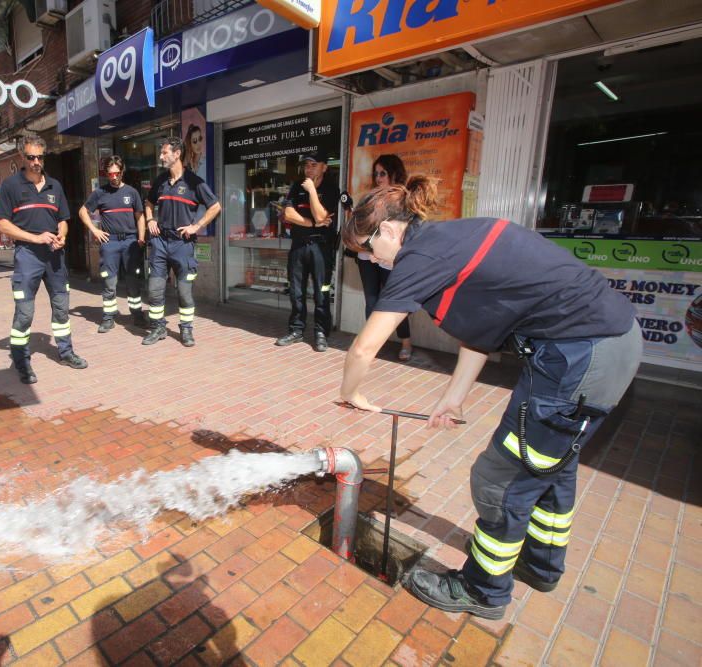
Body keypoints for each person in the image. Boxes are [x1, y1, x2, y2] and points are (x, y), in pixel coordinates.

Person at [338, 177, 641, 619]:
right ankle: (539, 566)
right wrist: (454, 397)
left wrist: (351, 394)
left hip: (580, 356)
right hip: (607, 344)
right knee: (552, 467)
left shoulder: (416, 257)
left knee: (502, 475)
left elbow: (364, 347)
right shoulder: (450, 239)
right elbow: (478, 334)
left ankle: (483, 590)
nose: (368, 258)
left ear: (386, 231)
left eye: (366, 248)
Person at [0, 133, 88, 384]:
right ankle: (21, 360)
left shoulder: (54, 186)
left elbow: (63, 220)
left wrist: (63, 235)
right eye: (31, 157)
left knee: (61, 308)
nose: (36, 161)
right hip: (28, 256)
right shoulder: (11, 186)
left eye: (40, 157)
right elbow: (3, 225)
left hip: (55, 257)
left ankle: (66, 353)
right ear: (21, 157)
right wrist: (34, 238)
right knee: (25, 312)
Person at [143, 137, 221, 347]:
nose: (161, 157)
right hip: (160, 242)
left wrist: (196, 226)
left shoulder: (194, 182)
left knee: (184, 292)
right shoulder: (160, 181)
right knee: (154, 290)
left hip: (182, 244)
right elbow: (148, 202)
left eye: (164, 153)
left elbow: (215, 207)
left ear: (176, 154)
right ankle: (158, 327)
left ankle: (186, 330)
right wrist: (150, 219)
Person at [274, 152, 340, 352]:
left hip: (321, 247)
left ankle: (321, 332)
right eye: (306, 166)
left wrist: (311, 191)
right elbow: (287, 213)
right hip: (298, 245)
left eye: (313, 164)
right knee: (296, 291)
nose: (308, 169)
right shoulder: (296, 186)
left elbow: (323, 214)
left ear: (324, 167)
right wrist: (313, 223)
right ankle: (296, 330)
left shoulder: (331, 188)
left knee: (321, 292)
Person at [78, 156, 147, 333]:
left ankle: (137, 314)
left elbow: (140, 216)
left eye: (117, 173)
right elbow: (82, 212)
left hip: (131, 241)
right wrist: (95, 231)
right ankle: (108, 317)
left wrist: (141, 237)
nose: (114, 177)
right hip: (110, 242)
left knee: (133, 280)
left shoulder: (132, 192)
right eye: (110, 174)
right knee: (109, 281)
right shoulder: (100, 193)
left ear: (122, 172)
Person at [358, 154, 413, 360]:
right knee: (371, 301)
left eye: (383, 173)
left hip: (390, 258)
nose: (379, 178)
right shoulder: (369, 197)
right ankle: (371, 345)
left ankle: (406, 342)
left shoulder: (402, 198)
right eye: (376, 174)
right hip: (366, 257)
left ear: (394, 173)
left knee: (394, 301)